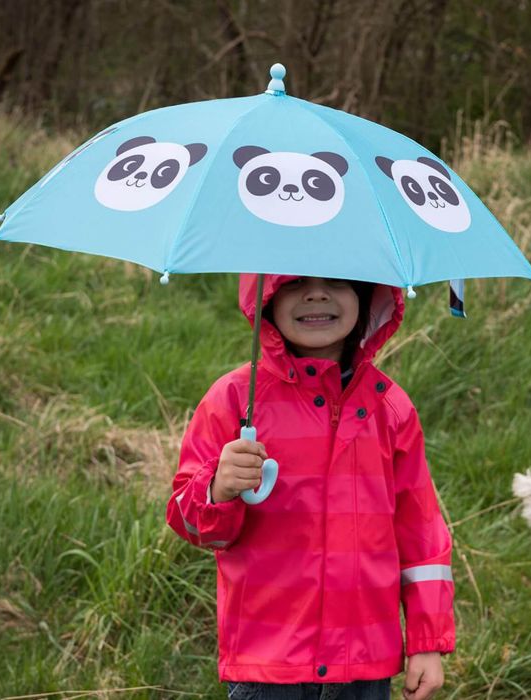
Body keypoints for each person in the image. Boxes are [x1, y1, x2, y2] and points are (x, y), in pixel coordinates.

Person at [166, 275, 455, 700]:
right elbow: (193, 526)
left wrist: (427, 642)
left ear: (366, 295)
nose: (316, 294)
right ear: (264, 297)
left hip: (364, 661)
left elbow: (422, 536)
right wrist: (217, 488)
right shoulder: (233, 400)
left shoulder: (391, 409)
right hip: (268, 663)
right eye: (295, 281)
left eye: (336, 281)